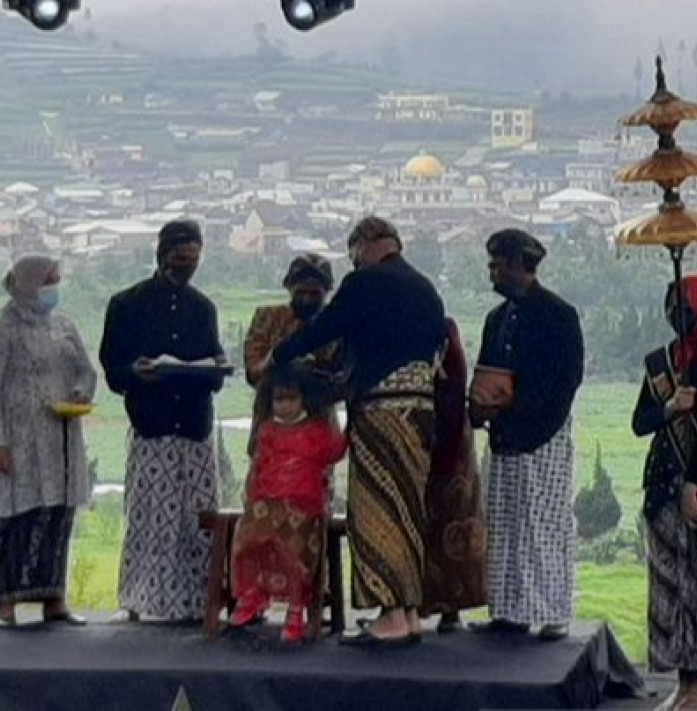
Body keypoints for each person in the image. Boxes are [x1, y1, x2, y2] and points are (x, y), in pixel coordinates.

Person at [269, 216, 447, 646]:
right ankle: (409, 612)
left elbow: (325, 327)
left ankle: (390, 613)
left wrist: (280, 355)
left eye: (353, 254)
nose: (353, 262)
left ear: (365, 244)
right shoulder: (426, 289)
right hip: (421, 409)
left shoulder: (364, 283)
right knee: (409, 509)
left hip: (379, 409)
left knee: (377, 510)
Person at [99, 219, 232, 622]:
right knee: (150, 520)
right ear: (162, 254)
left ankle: (198, 601)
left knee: (197, 522)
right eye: (179, 257)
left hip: (194, 428)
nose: (185, 265)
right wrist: (136, 373)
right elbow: (113, 370)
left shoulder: (203, 308)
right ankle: (141, 599)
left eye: (192, 258)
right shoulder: (127, 304)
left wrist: (215, 368)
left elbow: (214, 368)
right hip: (152, 426)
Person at [631, 274, 697, 711]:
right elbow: (641, 422)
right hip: (663, 480)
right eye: (671, 303)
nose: (677, 313)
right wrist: (671, 406)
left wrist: (694, 486)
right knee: (669, 583)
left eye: (685, 304)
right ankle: (681, 680)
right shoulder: (665, 362)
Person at [470, 228, 583, 642]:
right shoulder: (496, 319)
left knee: (543, 524)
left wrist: (520, 409)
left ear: (518, 264)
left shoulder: (558, 315)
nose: (492, 273)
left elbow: (566, 380)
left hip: (543, 434)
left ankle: (552, 611)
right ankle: (508, 611)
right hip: (504, 436)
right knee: (503, 524)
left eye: (497, 265)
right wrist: (482, 407)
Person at [0, 256, 96, 627]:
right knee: (16, 517)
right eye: (49, 281)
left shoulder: (63, 326)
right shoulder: (1, 330)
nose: (53, 289)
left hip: (61, 436)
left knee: (58, 514)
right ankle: (7, 602)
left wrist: (80, 392)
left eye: (57, 281)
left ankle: (54, 598)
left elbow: (86, 370)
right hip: (20, 440)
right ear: (29, 284)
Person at [227, 369, 346, 643]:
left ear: (305, 399)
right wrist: (251, 497)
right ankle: (251, 595)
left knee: (295, 548)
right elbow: (257, 466)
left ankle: (296, 607)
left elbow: (335, 452)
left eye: (291, 399)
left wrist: (348, 428)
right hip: (267, 502)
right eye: (279, 399)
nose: (285, 406)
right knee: (247, 537)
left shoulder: (318, 431)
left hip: (303, 506)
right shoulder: (267, 431)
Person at [423, 317, 488, 634]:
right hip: (424, 436)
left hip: (448, 438)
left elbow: (454, 383)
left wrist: (442, 444)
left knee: (455, 523)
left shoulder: (442, 332)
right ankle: (421, 604)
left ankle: (452, 607)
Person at [242, 254, 341, 452]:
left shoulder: (335, 325)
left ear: (327, 292)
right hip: (271, 427)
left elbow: (342, 380)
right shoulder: (267, 318)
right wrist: (280, 362)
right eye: (301, 292)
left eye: (315, 294)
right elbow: (253, 371)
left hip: (318, 433)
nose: (307, 299)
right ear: (289, 288)